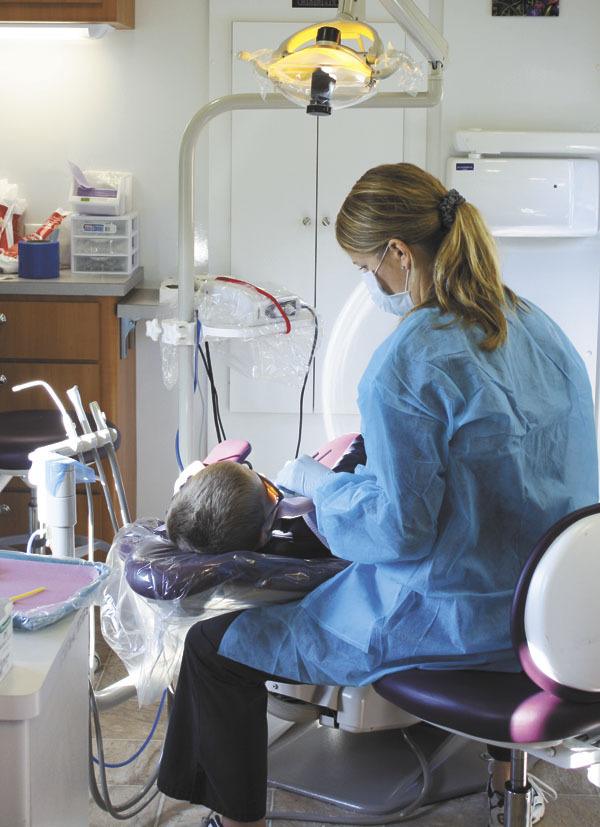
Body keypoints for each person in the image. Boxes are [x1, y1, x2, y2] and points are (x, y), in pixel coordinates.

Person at [158, 163, 598, 827]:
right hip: (566, 616)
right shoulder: (534, 324)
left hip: (465, 619)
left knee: (216, 647)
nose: (372, 283)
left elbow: (398, 533)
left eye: (368, 268)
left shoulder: (407, 362)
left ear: (397, 252)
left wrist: (313, 481)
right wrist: (359, 480)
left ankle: (233, 821)